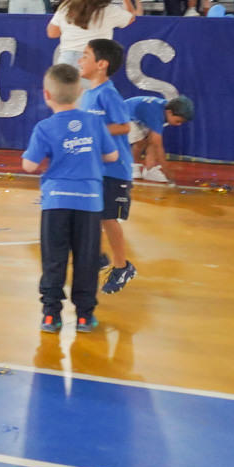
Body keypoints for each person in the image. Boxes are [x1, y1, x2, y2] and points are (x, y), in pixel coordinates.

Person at [21, 62, 118, 335]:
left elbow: (29, 165)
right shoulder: (95, 123)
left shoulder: (44, 127)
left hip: (56, 203)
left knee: (54, 259)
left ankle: (51, 314)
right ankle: (85, 316)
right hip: (89, 202)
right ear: (79, 93)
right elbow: (112, 156)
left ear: (47, 95)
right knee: (87, 260)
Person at [76, 39, 138, 296]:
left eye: (85, 55)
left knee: (108, 218)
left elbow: (124, 126)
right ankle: (97, 255)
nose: (80, 60)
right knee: (88, 213)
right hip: (95, 169)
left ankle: (122, 266)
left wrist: (93, 129)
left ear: (101, 64)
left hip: (113, 170)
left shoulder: (107, 94)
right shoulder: (87, 95)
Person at [46, 0, 133, 66]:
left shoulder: (67, 6)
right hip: (94, 61)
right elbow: (131, 17)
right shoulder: (110, 10)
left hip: (67, 61)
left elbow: (52, 33)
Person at [125, 94, 194, 184]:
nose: (179, 124)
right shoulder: (156, 114)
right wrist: (166, 171)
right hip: (125, 114)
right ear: (169, 112)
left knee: (150, 140)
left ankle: (150, 170)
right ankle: (133, 167)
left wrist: (152, 166)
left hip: (140, 117)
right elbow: (158, 146)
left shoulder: (166, 111)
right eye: (178, 121)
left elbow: (153, 142)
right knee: (140, 141)